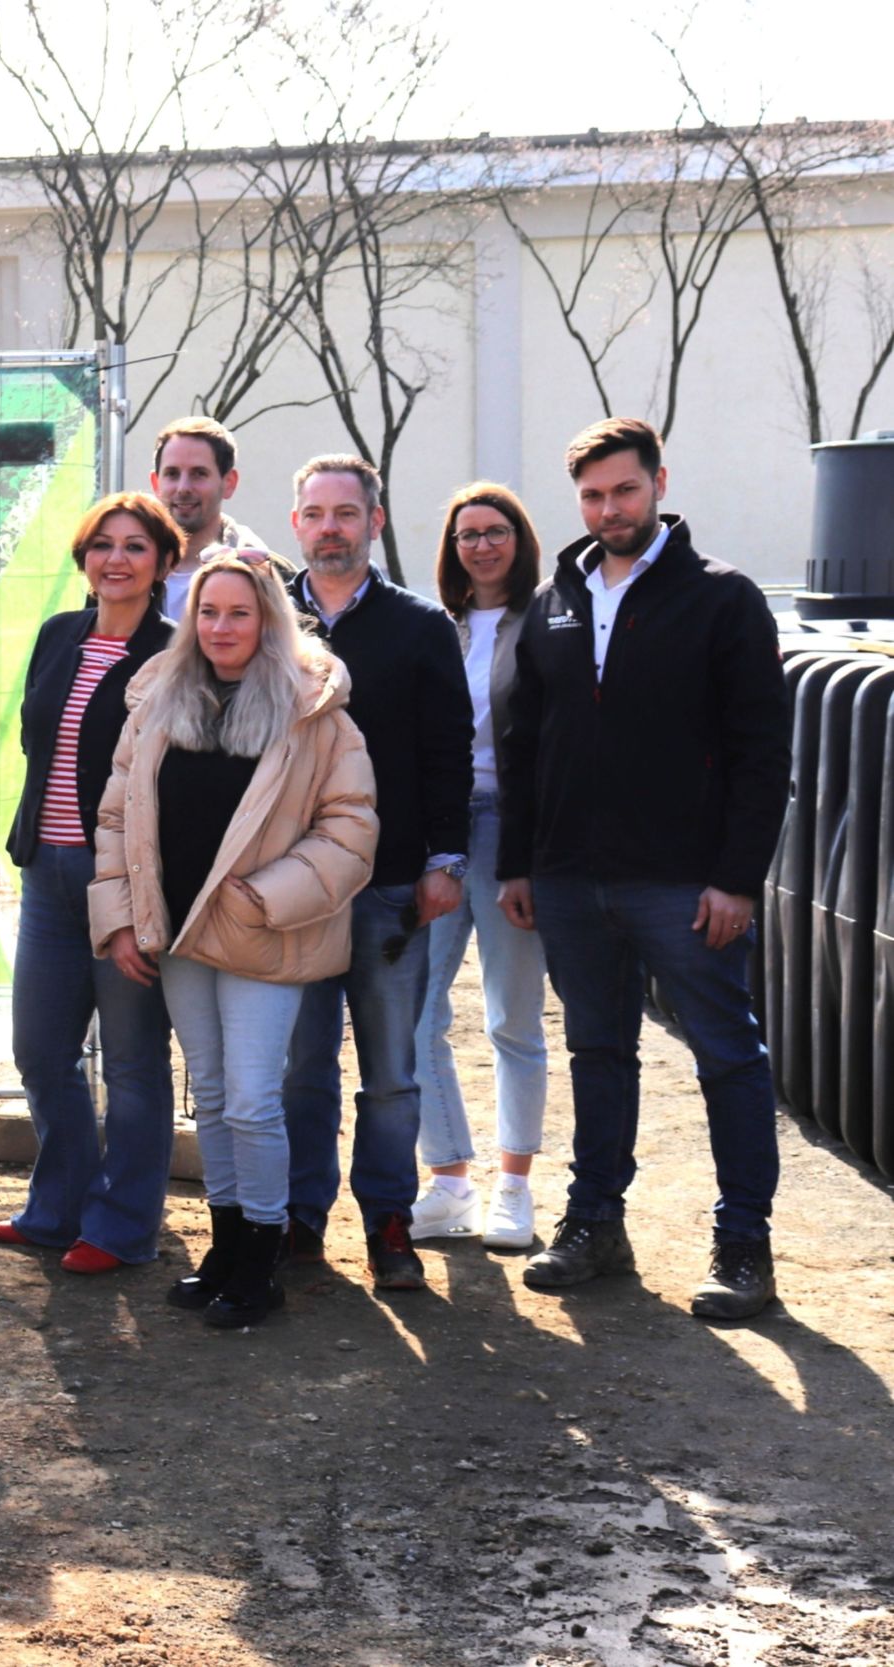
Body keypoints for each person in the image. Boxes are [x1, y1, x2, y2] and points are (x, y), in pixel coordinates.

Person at [498, 418, 792, 1320]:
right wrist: (520, 864)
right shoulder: (557, 596)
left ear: (659, 482)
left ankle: (743, 1244)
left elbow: (760, 752)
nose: (609, 509)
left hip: (682, 882)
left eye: (624, 490)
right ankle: (596, 1224)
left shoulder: (722, 597)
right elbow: (523, 741)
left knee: (727, 1057)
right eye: (591, 495)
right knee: (597, 1051)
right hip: (571, 878)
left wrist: (737, 878)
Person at [90, 555, 376, 1326]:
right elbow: (117, 815)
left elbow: (350, 829)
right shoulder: (156, 700)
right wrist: (121, 917)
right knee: (211, 1095)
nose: (221, 627)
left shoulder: (314, 712)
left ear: (268, 620)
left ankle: (262, 1257)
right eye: (208, 612)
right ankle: (224, 1247)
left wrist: (265, 896)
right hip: (178, 932)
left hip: (259, 933)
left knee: (254, 1100)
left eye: (239, 613)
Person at [280, 455, 474, 1293]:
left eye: (345, 513)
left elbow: (446, 752)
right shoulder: (266, 616)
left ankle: (390, 1221)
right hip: (291, 889)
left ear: (375, 522)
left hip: (392, 888)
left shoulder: (420, 624)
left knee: (393, 1070)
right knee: (300, 1066)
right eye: (315, 514)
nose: (330, 527)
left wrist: (443, 861)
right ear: (296, 523)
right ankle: (298, 1218)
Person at [0, 492, 179, 1271]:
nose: (116, 559)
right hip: (49, 872)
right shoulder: (58, 636)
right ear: (83, 558)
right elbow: (43, 748)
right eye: (102, 544)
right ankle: (58, 1205)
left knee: (134, 1061)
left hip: (126, 882)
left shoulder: (176, 653)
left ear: (164, 563)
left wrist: (141, 901)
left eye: (136, 546)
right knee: (40, 1049)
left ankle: (121, 1224)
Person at [409, 484, 552, 1251]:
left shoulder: (547, 621)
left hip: (508, 835)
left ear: (518, 539)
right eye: (467, 533)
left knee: (512, 1018)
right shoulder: (441, 627)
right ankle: (451, 1179)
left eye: (496, 531)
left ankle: (517, 1188)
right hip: (439, 831)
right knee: (417, 1014)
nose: (482, 545)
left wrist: (526, 856)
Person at [150, 417, 277, 619]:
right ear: (156, 483)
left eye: (199, 474)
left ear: (229, 483)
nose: (183, 488)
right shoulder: (125, 572)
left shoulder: (265, 572)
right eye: (172, 474)